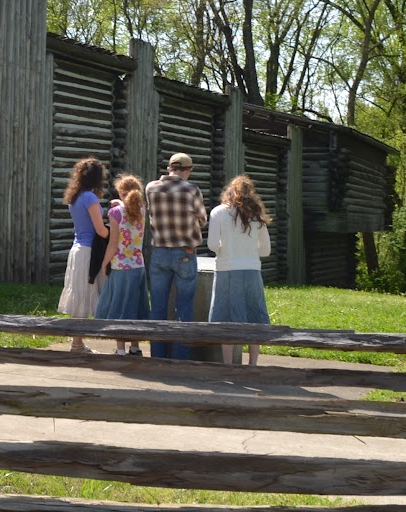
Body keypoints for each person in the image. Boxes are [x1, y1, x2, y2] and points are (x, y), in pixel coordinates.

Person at [145, 152, 207, 359]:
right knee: (184, 307)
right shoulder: (191, 190)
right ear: (188, 170)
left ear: (169, 167)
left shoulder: (151, 188)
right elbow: (202, 219)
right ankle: (181, 356)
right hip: (185, 252)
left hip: (160, 251)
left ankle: (157, 354)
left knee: (158, 306)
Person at [207, 173, 273, 365]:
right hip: (252, 270)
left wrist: (225, 249)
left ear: (229, 192)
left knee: (226, 318)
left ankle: (228, 364)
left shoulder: (218, 212)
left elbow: (212, 244)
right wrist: (250, 251)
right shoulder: (257, 214)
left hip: (226, 270)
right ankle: (252, 364)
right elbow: (266, 250)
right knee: (254, 316)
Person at [57, 157, 110, 353]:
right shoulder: (90, 198)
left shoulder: (75, 196)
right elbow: (100, 230)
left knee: (79, 295)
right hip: (89, 251)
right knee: (88, 294)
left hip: (77, 249)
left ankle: (76, 342)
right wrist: (118, 234)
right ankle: (77, 343)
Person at [94, 173, 147, 355]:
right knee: (135, 305)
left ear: (122, 193)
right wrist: (121, 202)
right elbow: (130, 208)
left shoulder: (115, 213)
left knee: (119, 305)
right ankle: (135, 346)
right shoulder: (142, 210)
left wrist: (104, 263)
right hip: (138, 265)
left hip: (120, 266)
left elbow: (113, 242)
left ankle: (120, 348)